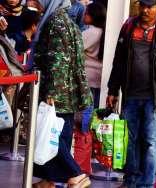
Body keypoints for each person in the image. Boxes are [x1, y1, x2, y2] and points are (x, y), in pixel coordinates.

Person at [106, 0, 156, 187]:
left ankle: (146, 184)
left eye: (150, 6)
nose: (145, 10)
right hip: (131, 94)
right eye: (143, 5)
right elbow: (119, 61)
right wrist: (112, 89)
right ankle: (130, 180)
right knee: (130, 141)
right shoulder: (128, 27)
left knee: (150, 143)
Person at [32, 0, 93, 187]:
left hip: (57, 91)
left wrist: (51, 91)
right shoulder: (66, 20)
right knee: (60, 134)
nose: (35, 3)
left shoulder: (55, 23)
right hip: (66, 92)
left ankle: (75, 175)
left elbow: (58, 60)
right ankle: (49, 179)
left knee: (52, 136)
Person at [82, 2, 106, 108]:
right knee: (96, 108)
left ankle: (86, 126)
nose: (84, 15)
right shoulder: (104, 31)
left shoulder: (90, 33)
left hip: (88, 76)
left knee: (88, 109)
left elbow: (75, 49)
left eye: (86, 13)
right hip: (100, 75)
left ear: (93, 16)